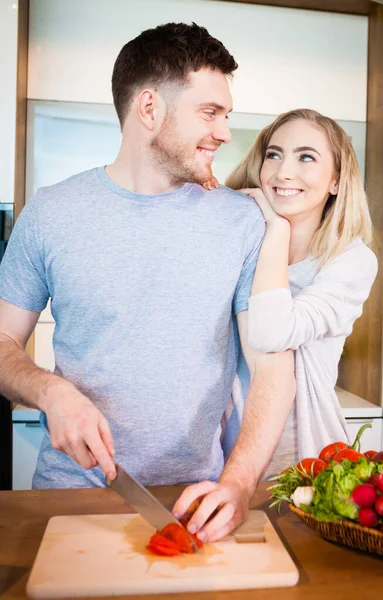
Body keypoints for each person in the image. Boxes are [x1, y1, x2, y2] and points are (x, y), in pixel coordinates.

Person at [0, 23, 295, 543]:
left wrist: (239, 482)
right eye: (210, 112)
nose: (225, 132)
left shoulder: (243, 222)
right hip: (71, 499)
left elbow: (273, 367)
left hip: (196, 503)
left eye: (226, 115)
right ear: (150, 108)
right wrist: (50, 391)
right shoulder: (51, 212)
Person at [216, 108, 377, 477]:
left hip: (307, 459)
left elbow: (272, 332)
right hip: (227, 456)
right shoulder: (239, 245)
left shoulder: (351, 260)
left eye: (306, 157)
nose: (283, 171)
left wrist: (276, 228)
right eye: (274, 154)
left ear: (336, 181)